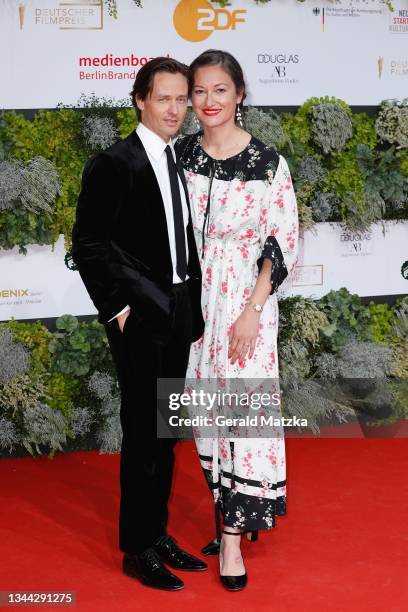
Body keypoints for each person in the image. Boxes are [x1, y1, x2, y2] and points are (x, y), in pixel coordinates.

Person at [71, 57, 207, 592]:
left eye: (181, 99)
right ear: (140, 101)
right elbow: (89, 245)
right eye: (164, 99)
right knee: (143, 436)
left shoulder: (178, 158)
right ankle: (136, 549)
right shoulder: (115, 162)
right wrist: (118, 310)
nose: (175, 109)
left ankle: (157, 535)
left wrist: (189, 307)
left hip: (177, 312)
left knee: (166, 433)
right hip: (139, 316)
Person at [176, 49, 299, 591]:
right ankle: (227, 509)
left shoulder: (268, 162)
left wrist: (252, 310)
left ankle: (231, 541)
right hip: (192, 303)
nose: (209, 101)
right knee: (204, 412)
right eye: (199, 91)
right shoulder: (180, 156)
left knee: (244, 416)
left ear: (240, 95)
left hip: (246, 302)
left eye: (220, 90)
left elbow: (282, 241)